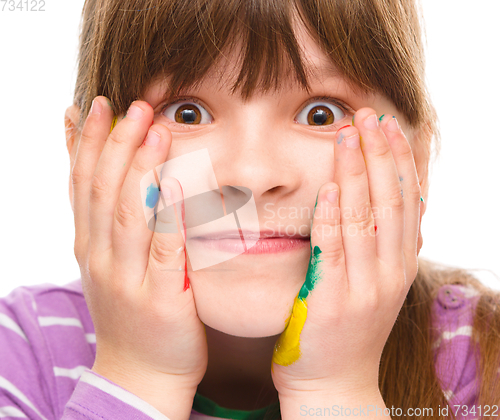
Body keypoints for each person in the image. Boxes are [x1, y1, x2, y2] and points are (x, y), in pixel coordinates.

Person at [1, 0, 499, 419]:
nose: (254, 177)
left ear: (416, 161)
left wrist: (334, 393)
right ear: (83, 158)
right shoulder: (20, 353)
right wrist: (139, 375)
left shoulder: (478, 361)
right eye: (187, 112)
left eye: (320, 113)